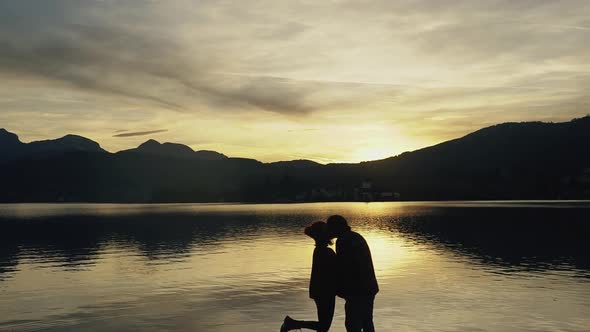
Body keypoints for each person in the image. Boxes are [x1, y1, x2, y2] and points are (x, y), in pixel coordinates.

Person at [281, 221, 337, 332]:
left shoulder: (319, 250)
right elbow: (335, 272)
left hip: (319, 291)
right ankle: (292, 323)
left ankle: (291, 323)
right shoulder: (326, 252)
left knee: (323, 325)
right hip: (325, 292)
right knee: (324, 326)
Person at [326, 215, 378, 332]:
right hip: (369, 286)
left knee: (352, 324)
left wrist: (338, 289)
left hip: (358, 290)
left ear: (336, 227)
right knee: (367, 321)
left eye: (330, 227)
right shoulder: (355, 236)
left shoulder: (343, 241)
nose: (328, 230)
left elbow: (344, 268)